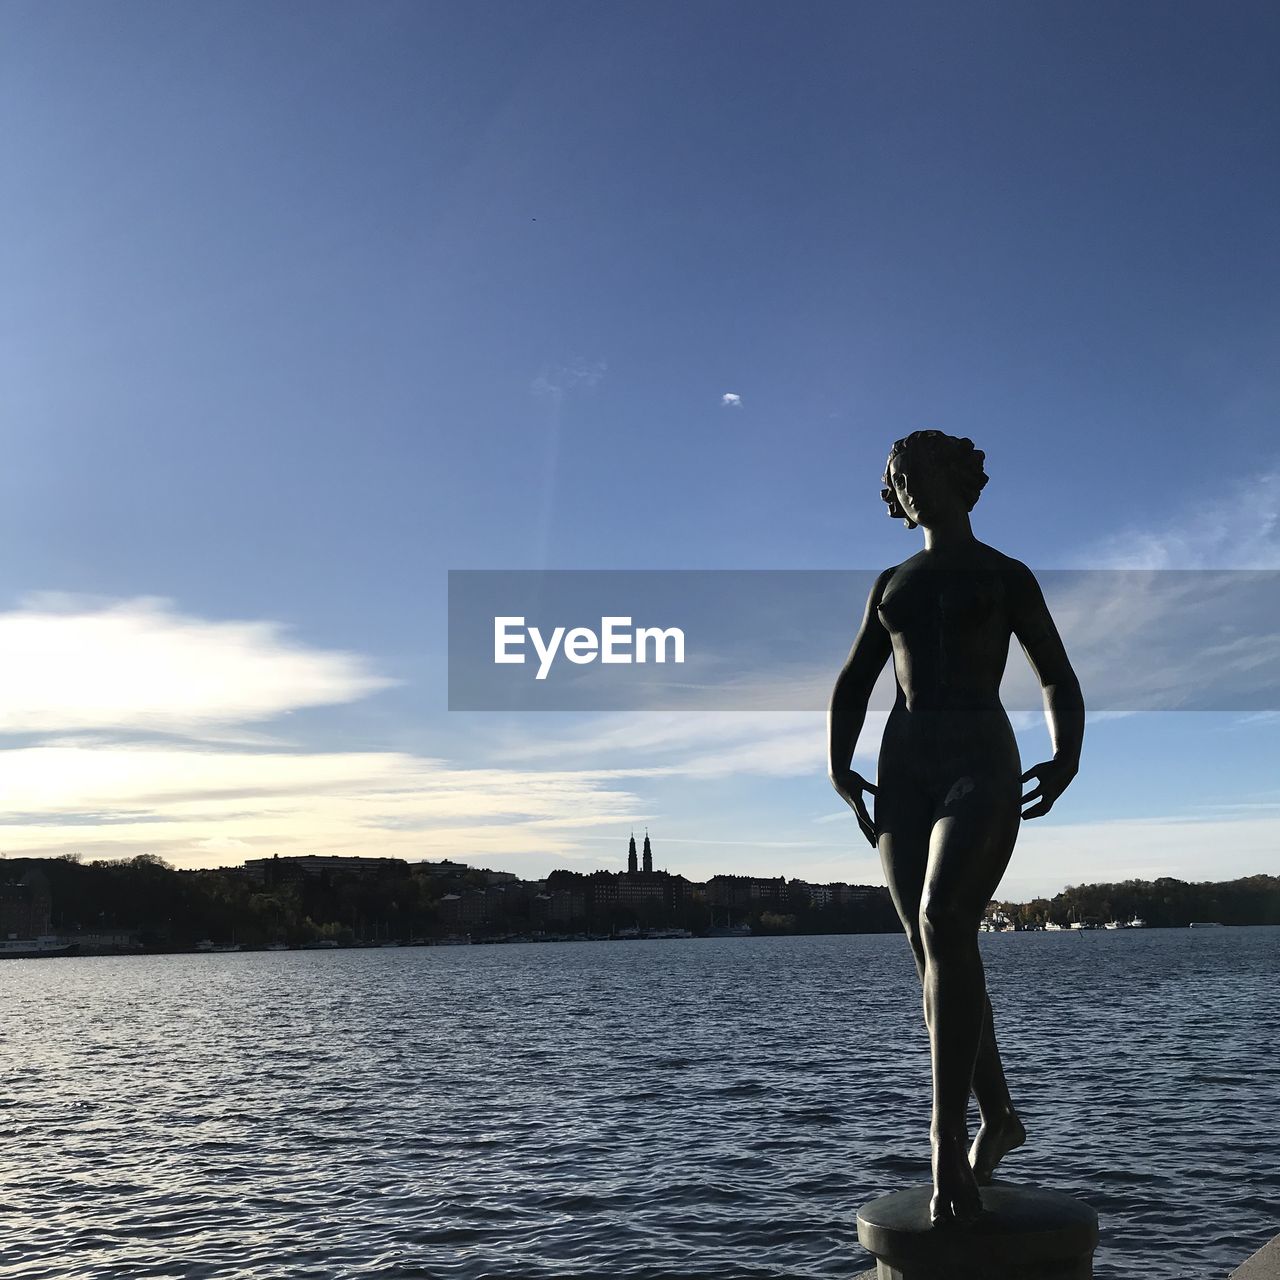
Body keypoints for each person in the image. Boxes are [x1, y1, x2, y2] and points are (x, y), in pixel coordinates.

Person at [828, 430, 1084, 1226]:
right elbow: (854, 680)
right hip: (903, 772)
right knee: (931, 947)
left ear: (954, 478)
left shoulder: (1005, 576)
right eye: (895, 481)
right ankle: (1000, 1116)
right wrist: (840, 766)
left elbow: (1054, 671)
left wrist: (1066, 751)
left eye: (914, 473)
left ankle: (944, 1143)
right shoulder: (891, 582)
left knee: (945, 921)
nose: (906, 489)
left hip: (981, 761)